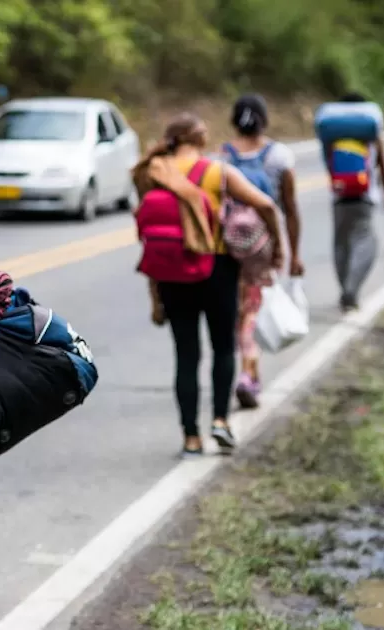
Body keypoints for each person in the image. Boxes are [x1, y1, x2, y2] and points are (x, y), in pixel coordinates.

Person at [135, 114, 283, 457]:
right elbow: (266, 204)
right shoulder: (218, 172)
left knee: (186, 355)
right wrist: (275, 247)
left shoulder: (152, 171)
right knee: (222, 348)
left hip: (171, 271)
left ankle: (190, 438)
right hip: (216, 267)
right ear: (200, 138)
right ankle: (220, 421)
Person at [221, 94, 303, 409]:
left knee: (235, 308)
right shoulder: (279, 157)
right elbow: (290, 209)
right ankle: (248, 373)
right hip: (260, 244)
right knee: (253, 308)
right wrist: (292, 253)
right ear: (265, 119)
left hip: (227, 243)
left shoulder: (223, 157)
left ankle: (243, 370)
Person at [328, 92, 384, 312]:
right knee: (366, 241)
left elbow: (328, 165)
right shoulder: (369, 132)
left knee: (341, 244)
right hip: (365, 198)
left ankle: (345, 288)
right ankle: (352, 289)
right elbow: (383, 165)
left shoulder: (332, 133)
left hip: (338, 197)